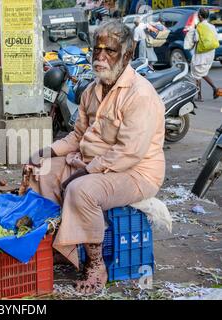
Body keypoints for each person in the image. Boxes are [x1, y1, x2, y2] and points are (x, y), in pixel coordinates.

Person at [26, 20, 165, 295]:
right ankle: (61, 245)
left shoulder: (140, 95)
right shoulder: (92, 90)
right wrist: (47, 152)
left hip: (136, 172)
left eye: (109, 51)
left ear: (126, 55)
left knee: (81, 189)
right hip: (95, 164)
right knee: (41, 171)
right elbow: (77, 136)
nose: (100, 57)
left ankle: (95, 264)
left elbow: (128, 152)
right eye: (97, 49)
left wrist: (86, 170)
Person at [190, 8, 220, 101]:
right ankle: (214, 89)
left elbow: (195, 40)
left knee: (197, 73)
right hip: (211, 53)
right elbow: (216, 38)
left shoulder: (198, 27)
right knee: (202, 72)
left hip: (201, 53)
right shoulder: (212, 26)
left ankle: (200, 96)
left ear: (200, 16)